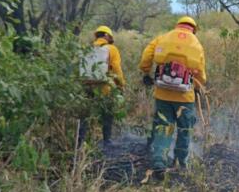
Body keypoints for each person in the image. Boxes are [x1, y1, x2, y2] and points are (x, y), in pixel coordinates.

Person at [139, 16, 207, 179]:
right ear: (193, 28)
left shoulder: (163, 37)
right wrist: (198, 87)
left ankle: (159, 163)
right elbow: (200, 73)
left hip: (162, 94)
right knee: (185, 129)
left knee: (163, 126)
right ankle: (181, 163)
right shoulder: (196, 43)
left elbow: (146, 56)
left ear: (178, 26)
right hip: (185, 97)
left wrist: (146, 72)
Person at [78, 25, 125, 147]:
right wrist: (121, 85)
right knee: (107, 114)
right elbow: (117, 69)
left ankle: (80, 141)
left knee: (85, 114)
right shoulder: (112, 49)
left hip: (87, 86)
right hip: (105, 88)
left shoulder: (87, 48)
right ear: (107, 36)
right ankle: (106, 141)